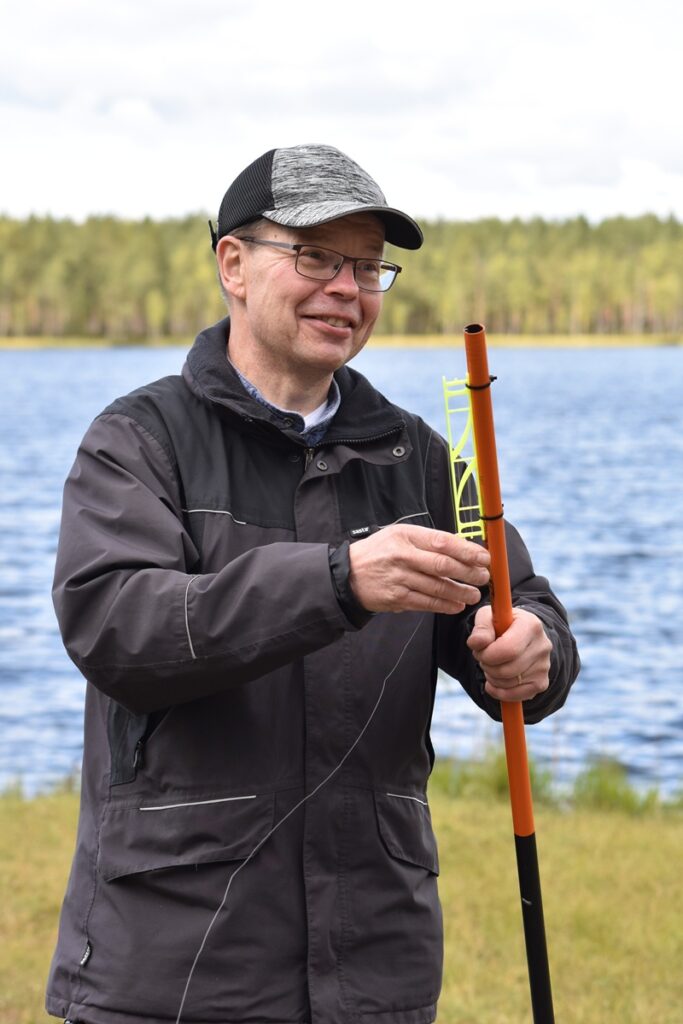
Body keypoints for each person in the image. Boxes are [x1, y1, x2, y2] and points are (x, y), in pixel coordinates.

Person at [46, 143, 579, 1024]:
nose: (347, 287)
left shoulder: (422, 457)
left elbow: (525, 610)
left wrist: (530, 651)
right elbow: (117, 629)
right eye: (316, 257)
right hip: (171, 970)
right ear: (232, 264)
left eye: (368, 266)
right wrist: (339, 579)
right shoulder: (137, 440)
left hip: (377, 968)